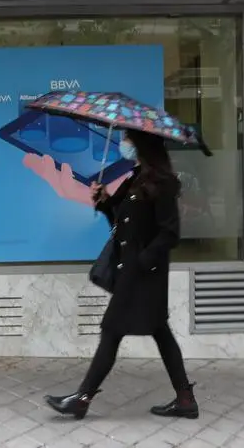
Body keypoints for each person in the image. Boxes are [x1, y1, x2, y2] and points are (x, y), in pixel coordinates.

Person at [44, 128, 199, 420]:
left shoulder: (162, 182)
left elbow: (170, 233)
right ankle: (185, 400)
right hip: (132, 270)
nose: (123, 143)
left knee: (112, 329)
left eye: (128, 138)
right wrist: (104, 201)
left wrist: (143, 261)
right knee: (160, 332)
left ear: (141, 142)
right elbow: (123, 221)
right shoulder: (135, 177)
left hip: (144, 274)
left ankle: (83, 398)